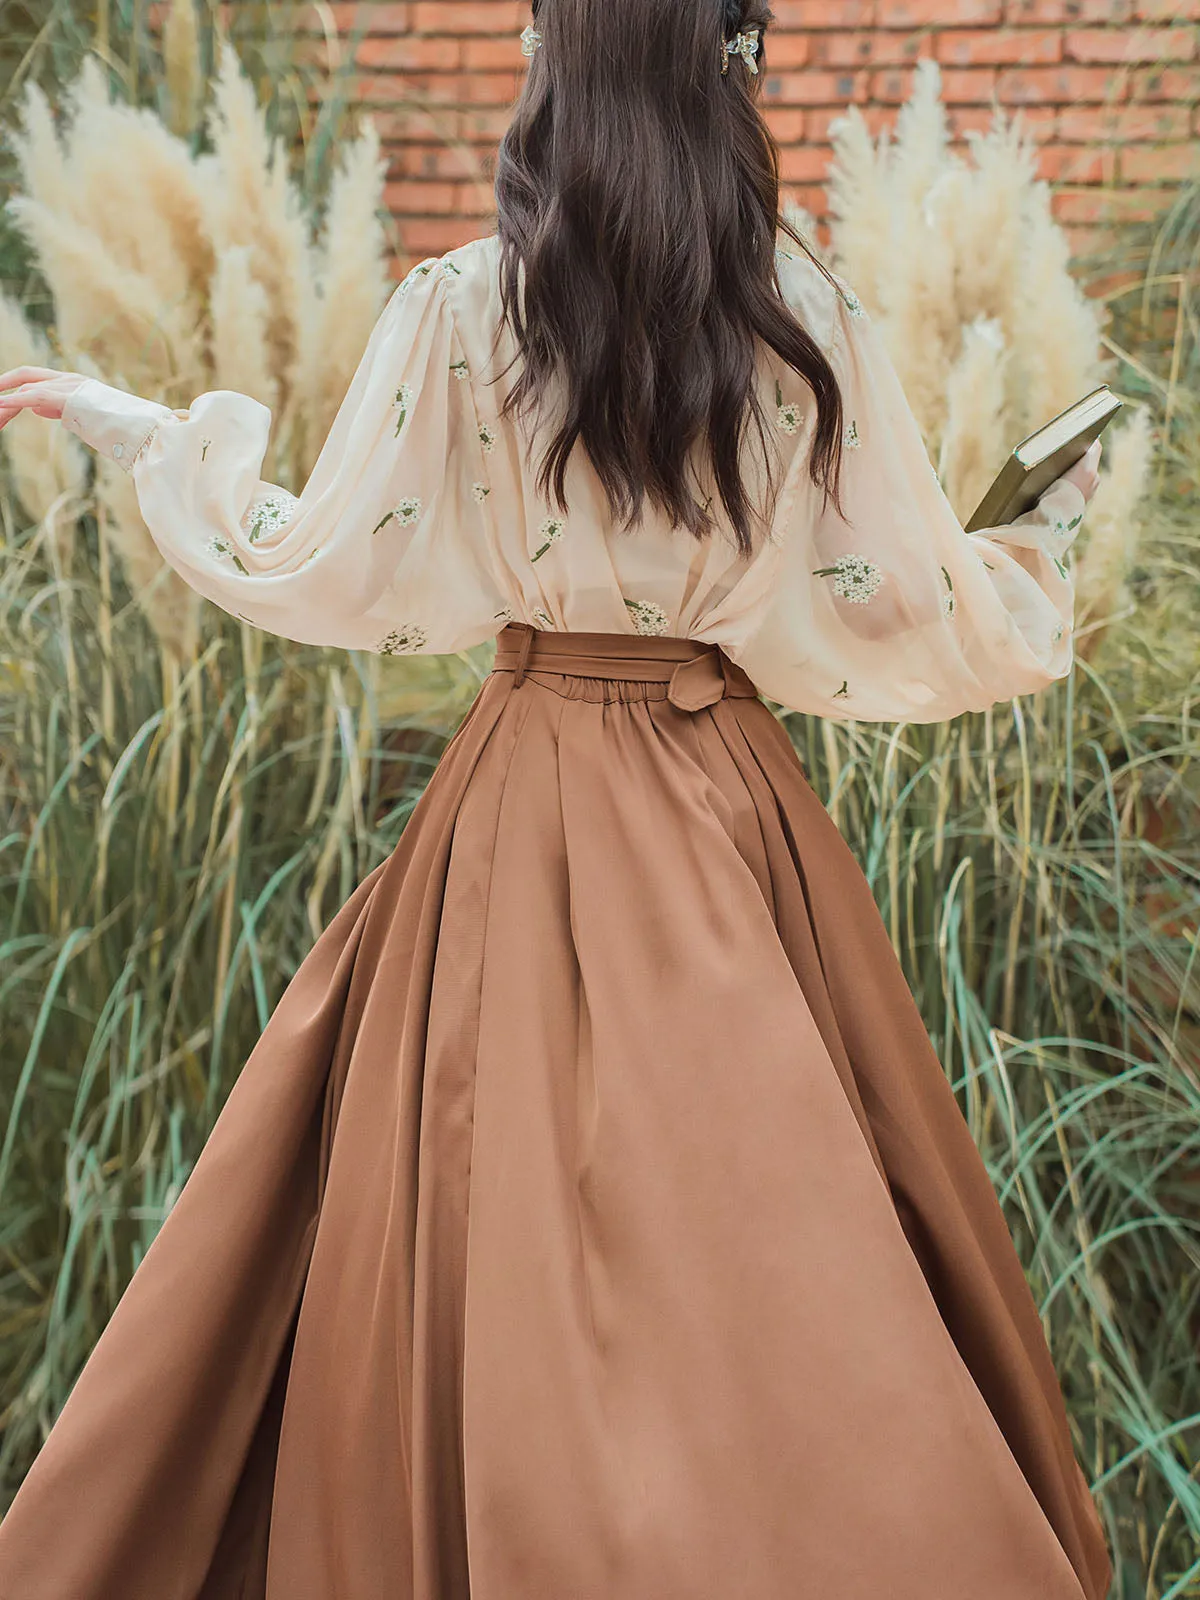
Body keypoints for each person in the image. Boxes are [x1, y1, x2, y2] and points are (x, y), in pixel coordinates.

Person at [0, 1, 1111, 1596]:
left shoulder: (464, 305)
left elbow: (325, 559)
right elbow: (905, 606)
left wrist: (147, 436)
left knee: (479, 1221)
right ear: (724, 64)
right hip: (727, 814)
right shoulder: (803, 315)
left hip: (515, 812)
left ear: (556, 62)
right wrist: (1041, 538)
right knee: (776, 1246)